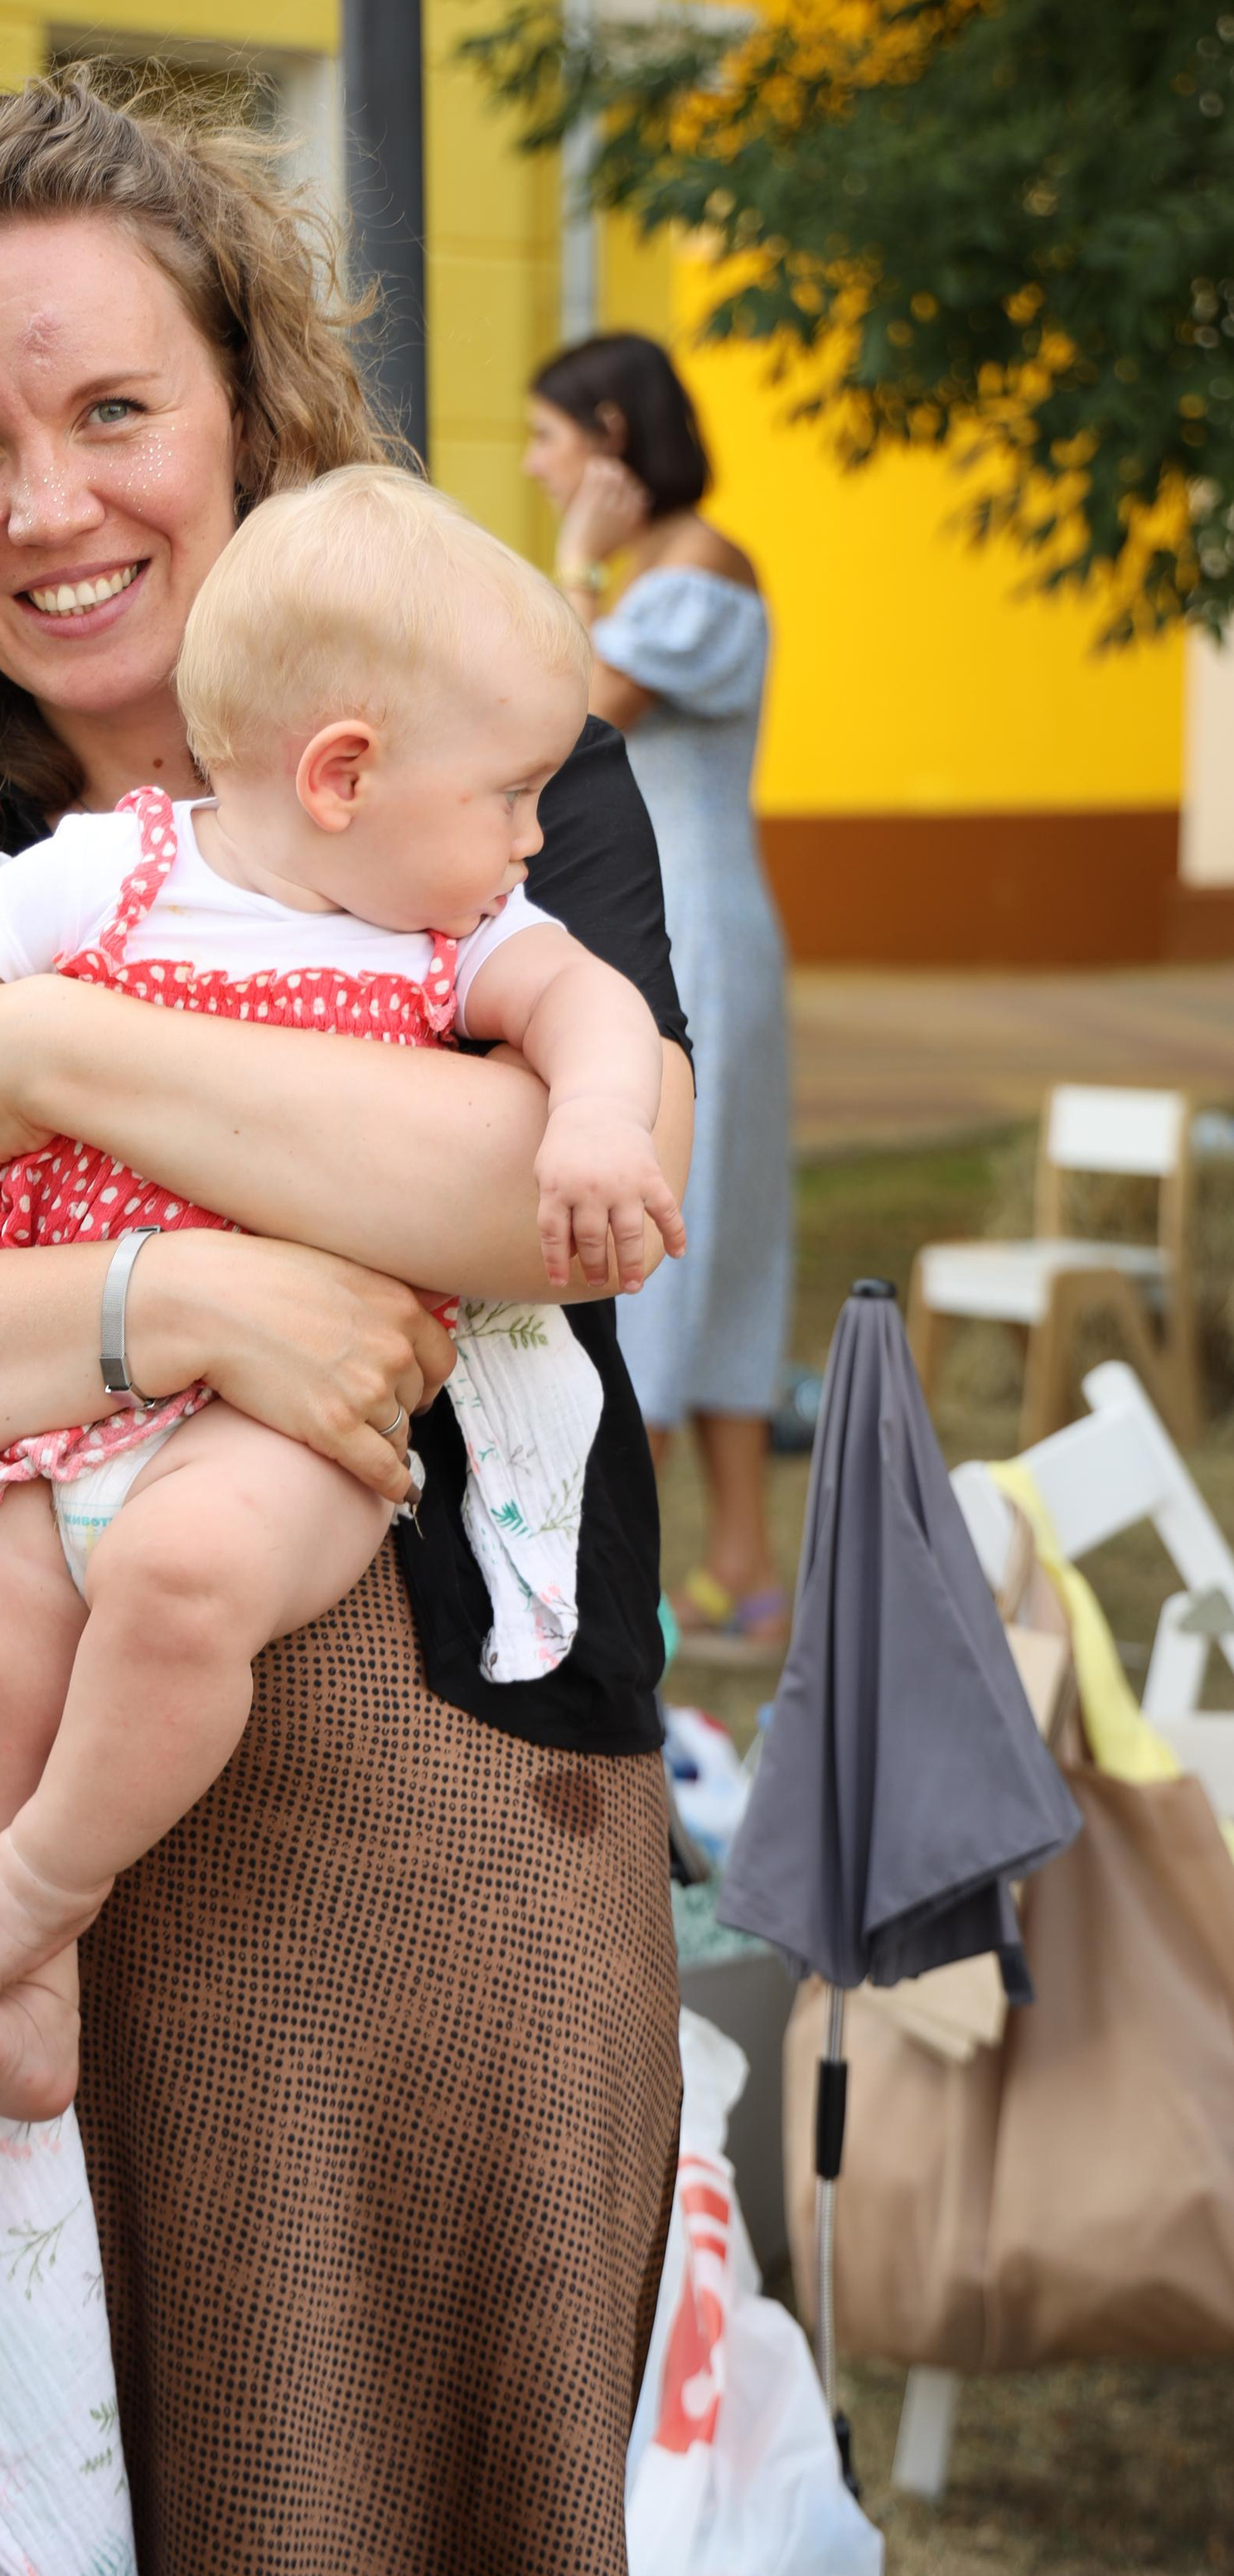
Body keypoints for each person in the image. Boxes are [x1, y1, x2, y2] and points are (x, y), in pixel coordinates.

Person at [0, 76, 695, 2576]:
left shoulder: (488, 751)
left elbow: (530, 1198)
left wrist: (66, 1051)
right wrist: (165, 1304)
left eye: (113, 407)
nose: (49, 504)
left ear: (246, 402)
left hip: (431, 1823)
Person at [0, 464, 685, 2110]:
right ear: (342, 774)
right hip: (55, 1382)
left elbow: (595, 1013)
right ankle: (29, 2006)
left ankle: (39, 1891)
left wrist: (592, 1122)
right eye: (511, 797)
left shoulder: (459, 930)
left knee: (183, 1584)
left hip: (286, 1408)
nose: (532, 838)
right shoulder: (110, 872)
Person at [527, 329, 794, 1652]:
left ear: (611, 441)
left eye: (550, 438)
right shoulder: (664, 577)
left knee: (683, 1239)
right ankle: (738, 1568)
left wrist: (575, 557)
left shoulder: (696, 577)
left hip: (689, 939)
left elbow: (570, 711)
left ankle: (630, 1579)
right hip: (675, 927)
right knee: (715, 1235)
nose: (537, 465)